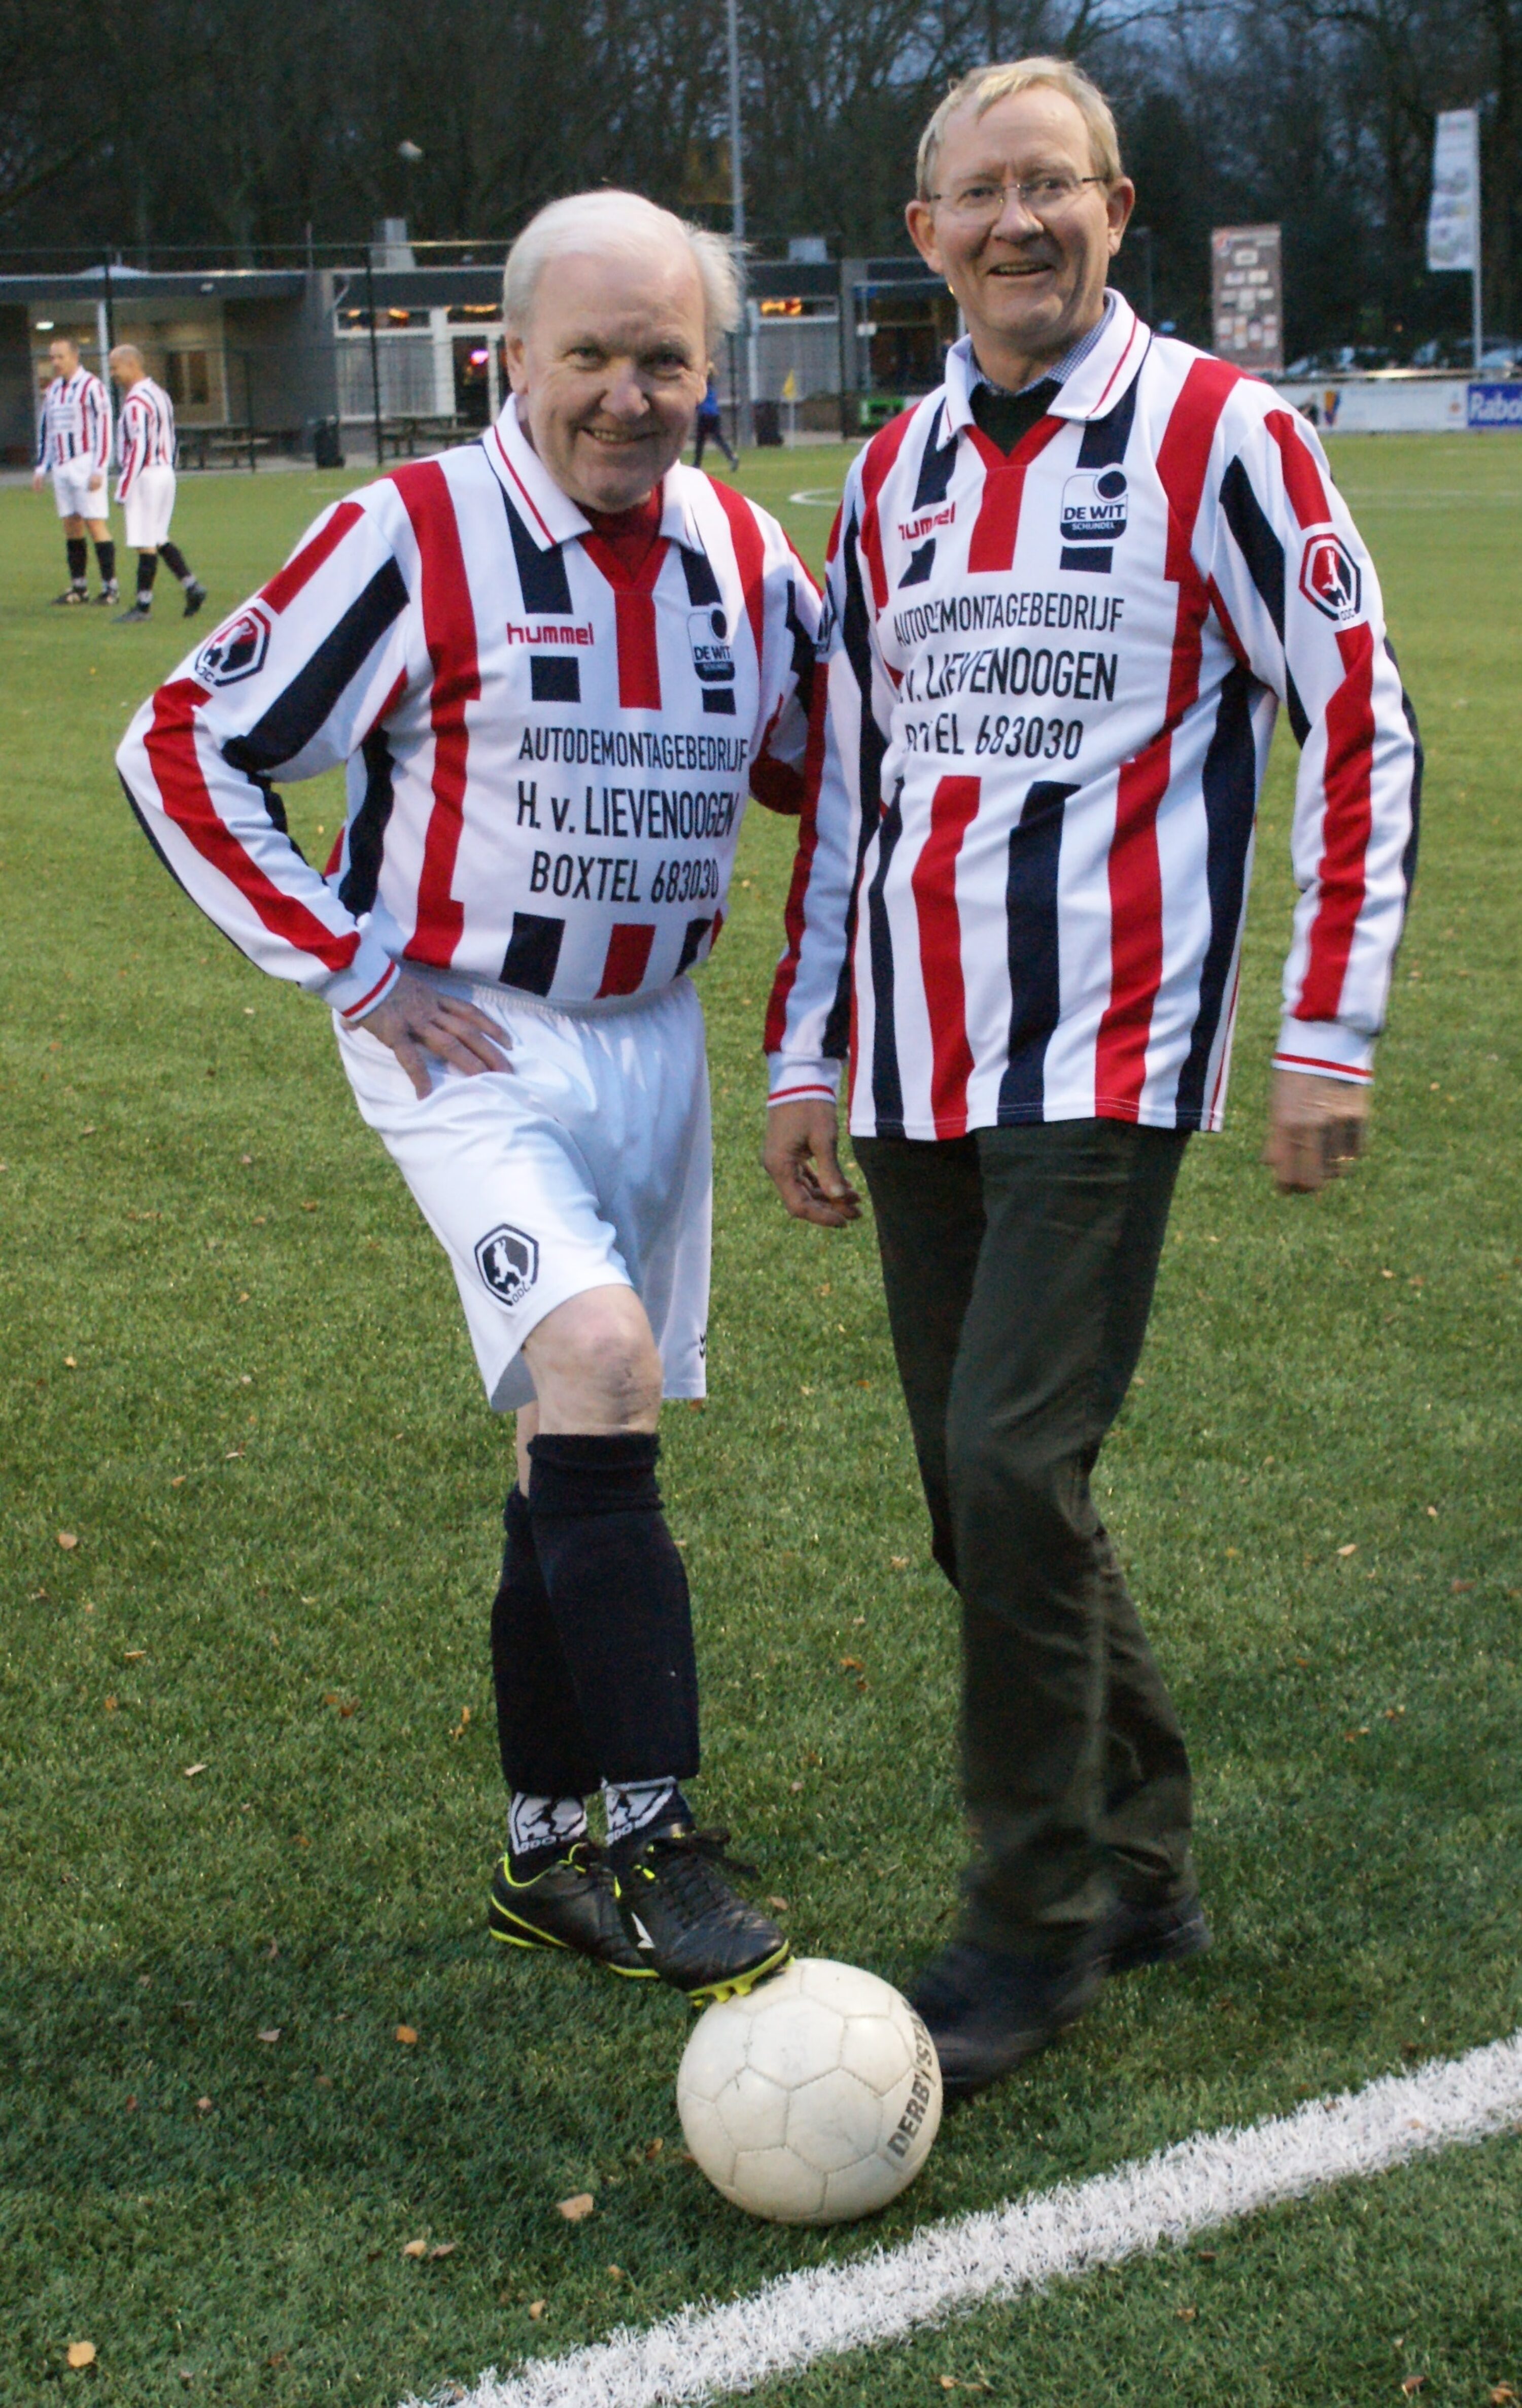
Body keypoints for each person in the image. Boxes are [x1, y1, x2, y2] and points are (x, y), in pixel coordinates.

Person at [763, 56, 1420, 2095]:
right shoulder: (893, 475)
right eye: (984, 195)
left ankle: (1028, 1927)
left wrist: (1330, 1025)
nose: (1020, 223)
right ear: (927, 227)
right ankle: (1142, 1859)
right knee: (989, 1507)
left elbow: (1362, 719)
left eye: (1056, 187)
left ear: (1118, 212)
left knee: (1014, 1468)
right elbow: (854, 788)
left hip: (1107, 1045)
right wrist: (804, 1053)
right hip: (915, 1051)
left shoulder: (1226, 435)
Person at [118, 190, 821, 2007]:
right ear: (509, 357)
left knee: (566, 1438)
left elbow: (845, 769)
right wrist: (350, 960)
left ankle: (542, 1854)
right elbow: (184, 742)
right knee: (594, 1362)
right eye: (586, 353)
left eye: (661, 356)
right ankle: (660, 1837)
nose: (624, 392)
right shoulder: (409, 534)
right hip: (470, 1042)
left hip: (652, 1036)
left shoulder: (744, 562)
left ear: (706, 368)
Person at [107, 346, 207, 625]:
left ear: (131, 364)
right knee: (159, 536)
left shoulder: (137, 402)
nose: (113, 374)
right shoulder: (160, 395)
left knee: (145, 542)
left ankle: (143, 606)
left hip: (146, 475)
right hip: (164, 472)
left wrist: (124, 487)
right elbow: (171, 436)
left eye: (116, 367)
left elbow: (138, 447)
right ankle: (191, 586)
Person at [33, 334, 117, 606]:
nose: (55, 362)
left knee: (94, 523)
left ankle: (110, 588)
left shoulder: (92, 386)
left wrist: (99, 468)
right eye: (52, 357)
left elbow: (104, 428)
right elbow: (48, 430)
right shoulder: (54, 390)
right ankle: (79, 587)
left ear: (75, 357)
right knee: (71, 524)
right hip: (62, 465)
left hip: (85, 461)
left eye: (60, 356)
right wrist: (42, 466)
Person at [693, 371, 739, 471]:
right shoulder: (712, 389)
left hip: (705, 415)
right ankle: (732, 457)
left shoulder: (702, 389)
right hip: (715, 415)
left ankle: (697, 465)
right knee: (719, 439)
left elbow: (698, 402)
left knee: (700, 441)